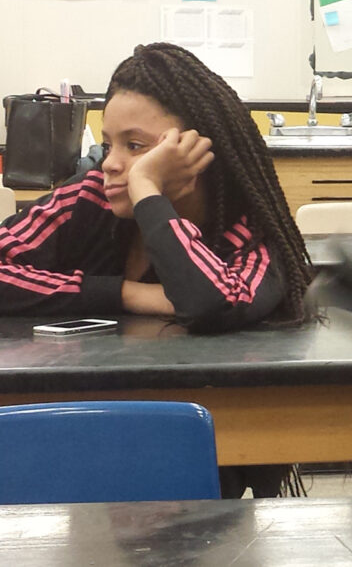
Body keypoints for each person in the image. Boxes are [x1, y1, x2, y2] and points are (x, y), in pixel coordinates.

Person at [0, 42, 315, 497]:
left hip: (199, 462)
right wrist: (125, 293)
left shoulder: (250, 232)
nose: (109, 163)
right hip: (79, 437)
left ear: (197, 150)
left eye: (136, 146)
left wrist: (149, 190)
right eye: (107, 144)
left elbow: (211, 301)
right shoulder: (90, 198)